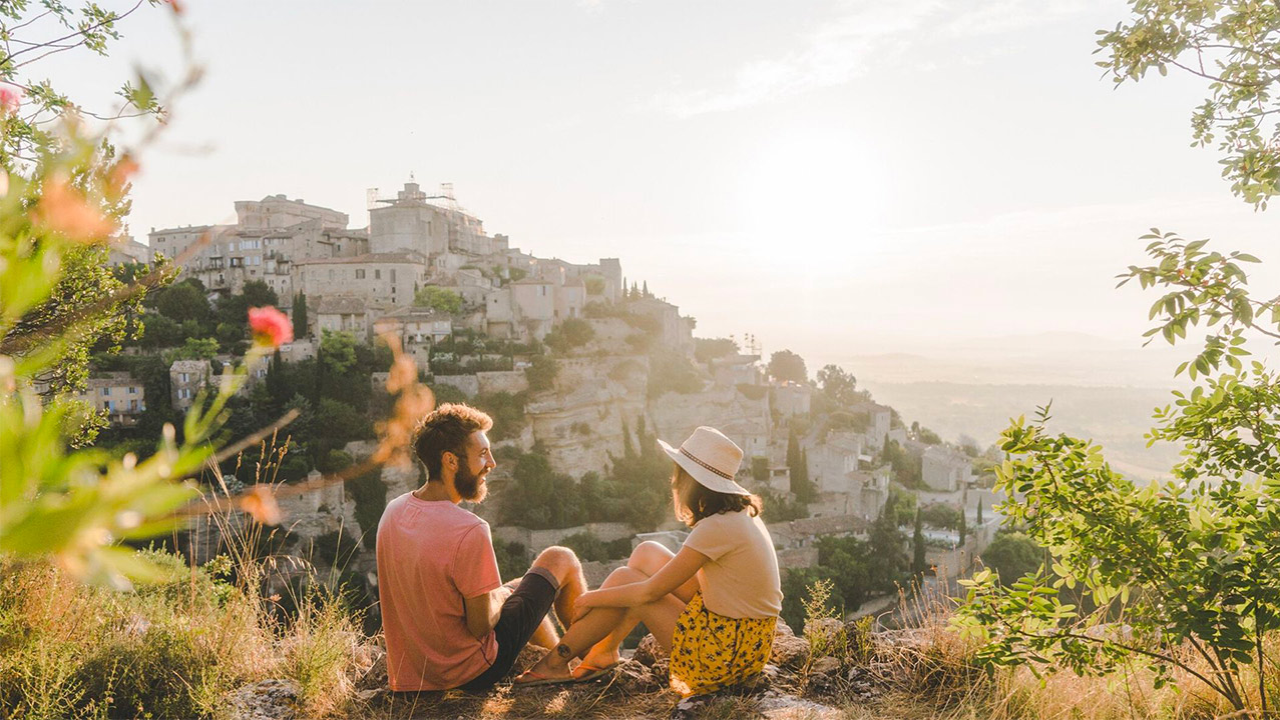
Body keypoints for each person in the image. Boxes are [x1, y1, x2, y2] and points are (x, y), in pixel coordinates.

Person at [515, 426, 783, 697]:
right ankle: (602, 653)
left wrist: (589, 599)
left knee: (629, 581)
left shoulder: (717, 527)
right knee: (647, 552)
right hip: (746, 642)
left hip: (723, 657)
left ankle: (557, 661)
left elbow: (649, 591)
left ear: (690, 480)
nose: (673, 479)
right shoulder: (739, 515)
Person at [376, 403, 587, 693]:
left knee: (516, 592)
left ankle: (556, 665)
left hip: (415, 674)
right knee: (560, 558)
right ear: (451, 461)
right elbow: (481, 626)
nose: (492, 463)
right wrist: (499, 595)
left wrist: (500, 594)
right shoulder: (469, 529)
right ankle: (591, 661)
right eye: (483, 454)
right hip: (469, 671)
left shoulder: (393, 511)